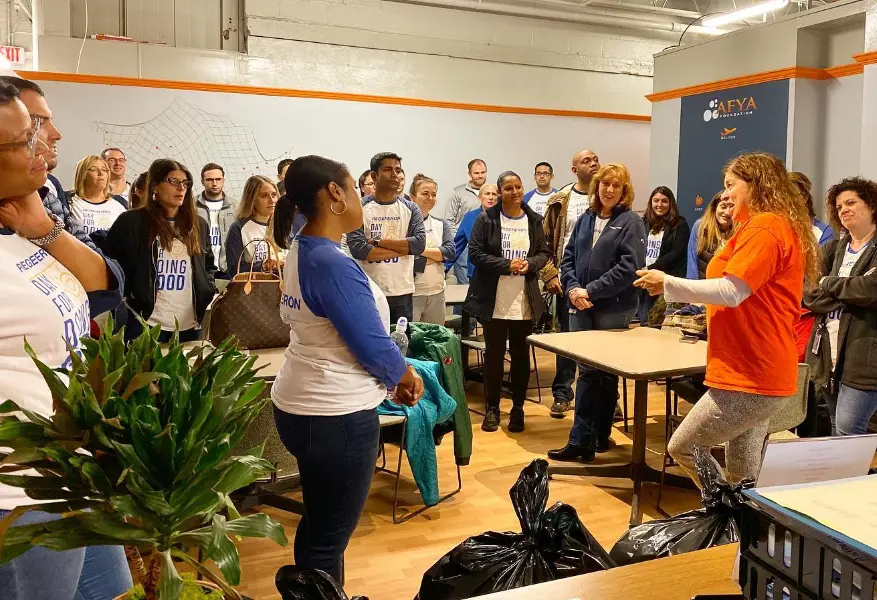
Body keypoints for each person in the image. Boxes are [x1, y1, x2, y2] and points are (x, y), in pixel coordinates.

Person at [0, 81, 131, 600]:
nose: (44, 141)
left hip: (70, 468)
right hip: (18, 489)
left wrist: (42, 227)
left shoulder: (19, 222)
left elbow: (105, 290)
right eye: (23, 137)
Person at [270, 154, 424, 581]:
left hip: (301, 403)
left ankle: (319, 589)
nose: (363, 195)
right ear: (335, 194)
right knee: (328, 536)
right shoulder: (332, 263)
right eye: (357, 188)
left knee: (320, 523)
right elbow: (370, 343)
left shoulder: (303, 248)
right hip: (334, 414)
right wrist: (405, 376)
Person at [635, 152, 818, 484]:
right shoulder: (756, 226)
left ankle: (726, 514)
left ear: (756, 184)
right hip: (754, 369)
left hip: (751, 372)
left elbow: (733, 291)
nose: (727, 194)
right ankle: (745, 528)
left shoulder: (766, 226)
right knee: (743, 474)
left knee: (685, 447)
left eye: (731, 185)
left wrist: (668, 283)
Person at [547, 163, 644, 462]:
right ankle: (588, 439)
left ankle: (591, 438)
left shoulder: (630, 222)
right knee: (589, 373)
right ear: (596, 187)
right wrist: (574, 289)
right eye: (605, 184)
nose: (610, 190)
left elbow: (629, 268)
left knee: (603, 375)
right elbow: (568, 258)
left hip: (613, 308)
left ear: (624, 190)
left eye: (616, 185)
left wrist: (591, 291)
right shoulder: (586, 218)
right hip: (580, 305)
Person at [465, 171, 550, 434]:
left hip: (524, 300)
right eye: (508, 188)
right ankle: (492, 409)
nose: (514, 192)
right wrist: (506, 265)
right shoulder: (486, 219)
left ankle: (518, 409)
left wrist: (529, 264)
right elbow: (475, 254)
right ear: (500, 192)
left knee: (521, 356)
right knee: (493, 356)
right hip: (494, 299)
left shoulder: (534, 220)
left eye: (518, 187)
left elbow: (544, 253)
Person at [106, 159, 217, 343]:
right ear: (155, 186)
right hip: (144, 322)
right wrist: (132, 297)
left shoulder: (198, 225)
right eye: (173, 181)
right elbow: (112, 267)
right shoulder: (131, 222)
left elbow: (208, 266)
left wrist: (208, 289)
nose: (181, 188)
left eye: (185, 183)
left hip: (189, 323)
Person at [805, 176, 877, 436]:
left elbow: (870, 290)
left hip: (865, 354)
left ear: (871, 205)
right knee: (835, 423)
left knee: (849, 427)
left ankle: (853, 477)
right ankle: (844, 477)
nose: (843, 209)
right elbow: (810, 294)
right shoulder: (832, 249)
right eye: (838, 207)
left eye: (851, 202)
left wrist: (828, 283)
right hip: (827, 353)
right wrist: (849, 289)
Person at [540, 149, 601, 418]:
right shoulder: (560, 200)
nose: (594, 163)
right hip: (567, 278)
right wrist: (550, 274)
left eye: (596, 159)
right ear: (575, 169)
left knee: (601, 341)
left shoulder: (607, 198)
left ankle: (606, 396)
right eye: (587, 161)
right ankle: (562, 393)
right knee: (566, 339)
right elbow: (544, 242)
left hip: (600, 281)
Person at [347, 152, 426, 323]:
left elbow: (419, 245)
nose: (394, 175)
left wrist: (377, 242)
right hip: (369, 289)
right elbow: (359, 249)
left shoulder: (411, 208)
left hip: (402, 290)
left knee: (400, 344)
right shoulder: (361, 208)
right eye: (388, 169)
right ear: (374, 176)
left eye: (398, 170)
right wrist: (405, 249)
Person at [637, 186, 690, 324]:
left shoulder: (679, 224)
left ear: (670, 203)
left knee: (658, 323)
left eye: (664, 201)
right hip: (645, 280)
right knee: (644, 322)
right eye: (656, 200)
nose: (659, 205)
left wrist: (652, 267)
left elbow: (676, 252)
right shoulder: (643, 223)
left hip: (665, 281)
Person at [410, 174, 454, 324]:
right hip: (413, 294)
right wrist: (437, 256)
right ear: (412, 197)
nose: (430, 197)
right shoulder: (405, 226)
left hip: (437, 292)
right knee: (412, 341)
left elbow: (450, 252)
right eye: (425, 193)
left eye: (433, 194)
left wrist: (418, 250)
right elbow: (408, 261)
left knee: (435, 340)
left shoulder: (441, 224)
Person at [225, 175, 281, 276]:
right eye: (264, 196)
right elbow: (234, 270)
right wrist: (263, 266)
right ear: (252, 199)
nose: (271, 200)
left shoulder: (282, 225)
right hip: (254, 288)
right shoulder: (238, 228)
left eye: (273, 195)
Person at [446, 159, 488, 283]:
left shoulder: (492, 192)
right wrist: (459, 237)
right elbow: (449, 219)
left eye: (483, 172)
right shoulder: (458, 193)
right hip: (464, 244)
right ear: (470, 174)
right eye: (476, 173)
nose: (480, 176)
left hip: (486, 246)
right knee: (465, 282)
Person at [448, 183, 498, 280]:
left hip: (498, 271)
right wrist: (444, 267)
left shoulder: (504, 217)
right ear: (479, 197)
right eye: (487, 194)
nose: (491, 197)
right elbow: (457, 245)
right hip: (476, 272)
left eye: (494, 194)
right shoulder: (469, 217)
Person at [68, 155, 127, 236]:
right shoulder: (68, 200)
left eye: (104, 170)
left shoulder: (120, 203)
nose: (101, 173)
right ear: (83, 174)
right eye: (93, 170)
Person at [196, 162, 235, 276]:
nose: (214, 183)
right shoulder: (191, 206)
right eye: (209, 180)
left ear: (223, 180)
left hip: (228, 268)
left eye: (218, 179)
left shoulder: (236, 206)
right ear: (202, 181)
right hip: (201, 268)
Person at [686, 192, 736, 280]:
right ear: (714, 208)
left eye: (732, 207)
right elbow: (692, 262)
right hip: (701, 288)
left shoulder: (741, 231)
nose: (728, 212)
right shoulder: (700, 226)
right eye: (723, 206)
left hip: (727, 289)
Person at [789, 171, 834, 247]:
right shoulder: (774, 226)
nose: (789, 200)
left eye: (794, 195)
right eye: (785, 195)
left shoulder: (823, 232)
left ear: (805, 198)